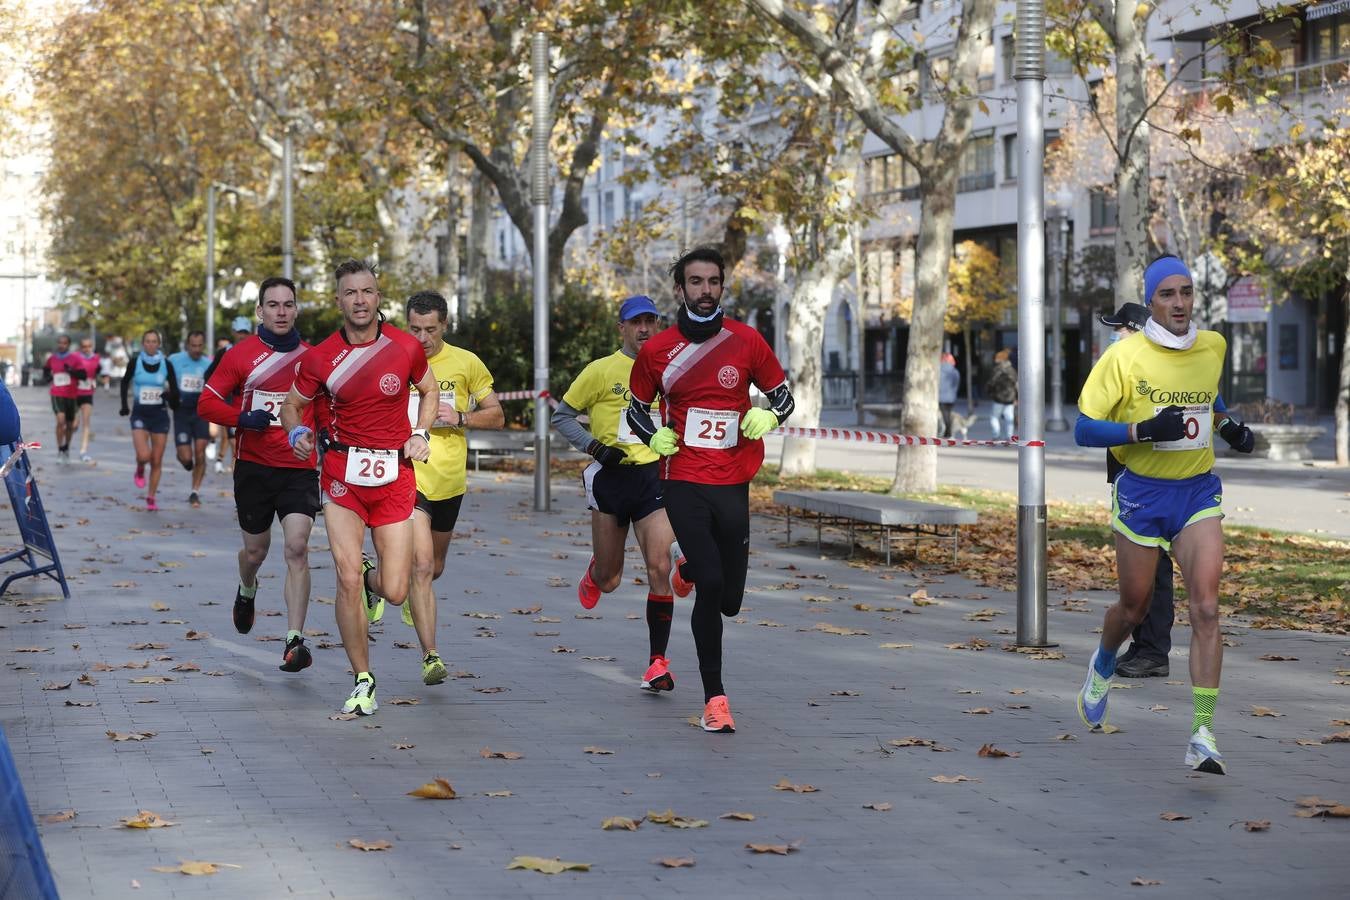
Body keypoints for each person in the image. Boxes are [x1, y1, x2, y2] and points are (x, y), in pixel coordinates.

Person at [1074, 255, 1255, 775]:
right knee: (1132, 610)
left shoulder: (1212, 346)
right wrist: (1143, 431)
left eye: (1187, 292)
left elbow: (1205, 395)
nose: (1180, 303)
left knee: (1206, 608)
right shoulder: (1124, 357)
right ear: (1151, 302)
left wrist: (1229, 426)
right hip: (1142, 494)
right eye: (1168, 295)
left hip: (1197, 492)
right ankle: (1105, 660)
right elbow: (1084, 429)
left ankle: (1202, 733)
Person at [627, 247, 795, 733]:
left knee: (730, 599)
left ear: (723, 287)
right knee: (712, 583)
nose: (705, 291)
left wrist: (770, 414)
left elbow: (784, 397)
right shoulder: (658, 350)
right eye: (695, 282)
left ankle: (689, 566)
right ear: (679, 289)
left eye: (713, 282)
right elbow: (638, 407)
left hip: (733, 480)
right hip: (682, 479)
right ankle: (715, 699)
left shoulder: (746, 342)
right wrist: (650, 436)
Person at [281, 259, 437, 716]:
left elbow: (429, 392)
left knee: (394, 590)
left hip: (393, 476)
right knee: (345, 577)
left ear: (377, 296)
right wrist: (297, 434)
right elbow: (293, 407)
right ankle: (363, 679)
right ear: (339, 301)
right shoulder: (320, 357)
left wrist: (420, 434)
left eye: (367, 291)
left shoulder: (405, 347)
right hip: (342, 474)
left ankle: (375, 580)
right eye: (351, 293)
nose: (360, 300)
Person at [370, 289, 504, 686]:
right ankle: (431, 656)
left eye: (430, 330)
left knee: (435, 567)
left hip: (449, 479)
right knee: (422, 565)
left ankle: (369, 580)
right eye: (414, 329)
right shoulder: (391, 357)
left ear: (445, 325)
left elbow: (496, 415)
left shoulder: (466, 362)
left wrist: (460, 416)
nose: (422, 338)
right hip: (406, 476)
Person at [554, 295, 680, 693]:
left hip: (652, 478)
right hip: (610, 475)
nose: (644, 329)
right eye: (635, 322)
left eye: (650, 321)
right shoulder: (600, 370)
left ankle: (657, 663)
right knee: (610, 580)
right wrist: (594, 447)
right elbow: (562, 415)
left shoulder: (669, 369)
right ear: (621, 329)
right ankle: (597, 568)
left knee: (659, 567)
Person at [199, 278, 326, 672]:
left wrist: (319, 438)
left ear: (297, 310)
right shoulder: (240, 355)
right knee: (255, 552)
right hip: (254, 468)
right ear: (260, 311)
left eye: (288, 304)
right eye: (273, 305)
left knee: (298, 549)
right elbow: (206, 402)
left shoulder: (314, 358)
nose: (281, 312)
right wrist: (242, 419)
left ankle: (294, 641)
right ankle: (247, 586)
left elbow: (325, 410)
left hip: (298, 469)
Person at [120, 330, 179, 511]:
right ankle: (139, 467)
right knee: (144, 455)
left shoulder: (166, 364)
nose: (151, 345)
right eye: (148, 341)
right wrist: (124, 405)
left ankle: (151, 496)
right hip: (140, 414)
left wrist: (169, 395)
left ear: (158, 344)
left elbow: (175, 391)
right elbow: (124, 382)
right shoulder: (135, 362)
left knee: (156, 459)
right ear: (143, 344)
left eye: (154, 341)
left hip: (160, 415)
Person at [167, 331, 213, 507]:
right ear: (187, 345)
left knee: (200, 451)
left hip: (201, 413)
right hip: (182, 413)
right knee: (187, 458)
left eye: (200, 345)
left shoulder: (208, 364)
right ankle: (185, 461)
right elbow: (166, 378)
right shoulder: (174, 360)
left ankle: (195, 491)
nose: (196, 349)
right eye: (193, 345)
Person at [43, 335, 81, 464]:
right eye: (59, 343)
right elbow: (46, 371)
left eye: (64, 343)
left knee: (69, 425)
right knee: (60, 422)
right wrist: (48, 378)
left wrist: (71, 371)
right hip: (57, 393)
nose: (61, 345)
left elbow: (83, 375)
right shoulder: (52, 358)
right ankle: (60, 449)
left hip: (71, 395)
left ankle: (67, 448)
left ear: (68, 344)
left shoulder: (75, 359)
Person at [73, 338, 100, 463]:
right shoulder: (75, 357)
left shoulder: (96, 358)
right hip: (74, 393)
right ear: (81, 347)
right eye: (84, 346)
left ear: (92, 346)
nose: (87, 348)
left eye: (89, 346)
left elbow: (96, 372)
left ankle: (83, 451)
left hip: (88, 393)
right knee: (73, 424)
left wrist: (95, 381)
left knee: (86, 422)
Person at [985, 348, 1016, 439]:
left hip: (998, 397)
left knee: (994, 417)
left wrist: (989, 392)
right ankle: (1010, 436)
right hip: (1010, 398)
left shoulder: (997, 369)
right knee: (1009, 418)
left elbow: (991, 382)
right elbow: (1016, 384)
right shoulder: (1011, 370)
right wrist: (1016, 397)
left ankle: (996, 435)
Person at [938, 352, 960, 437]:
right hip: (951, 397)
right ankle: (947, 432)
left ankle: (947, 432)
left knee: (944, 416)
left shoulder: (938, 370)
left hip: (941, 397)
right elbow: (956, 384)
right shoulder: (955, 371)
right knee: (948, 414)